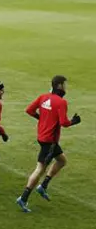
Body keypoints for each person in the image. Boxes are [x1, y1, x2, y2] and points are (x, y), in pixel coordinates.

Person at [16, 76, 81, 213]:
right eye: (64, 85)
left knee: (62, 161)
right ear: (59, 86)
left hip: (42, 136)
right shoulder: (61, 102)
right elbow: (64, 123)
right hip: (50, 140)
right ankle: (23, 198)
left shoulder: (43, 97)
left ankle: (43, 186)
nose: (65, 87)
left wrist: (41, 118)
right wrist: (74, 121)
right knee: (40, 169)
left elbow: (29, 110)